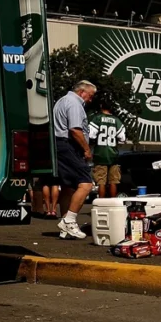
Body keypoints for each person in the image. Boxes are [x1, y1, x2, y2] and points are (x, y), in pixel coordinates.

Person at [52, 81, 96, 240]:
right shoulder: (75, 103)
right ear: (82, 92)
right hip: (69, 145)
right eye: (90, 96)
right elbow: (75, 129)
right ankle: (69, 221)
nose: (90, 100)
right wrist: (86, 149)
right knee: (86, 183)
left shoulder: (61, 101)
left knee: (68, 186)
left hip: (60, 145)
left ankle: (65, 227)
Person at [88, 105, 127, 199]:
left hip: (100, 154)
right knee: (113, 181)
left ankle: (101, 203)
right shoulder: (117, 120)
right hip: (113, 154)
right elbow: (122, 138)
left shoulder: (97, 118)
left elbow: (91, 135)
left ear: (101, 107)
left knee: (101, 182)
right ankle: (112, 203)